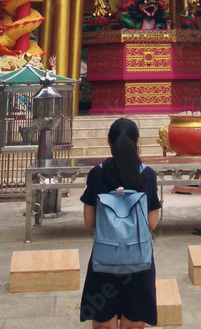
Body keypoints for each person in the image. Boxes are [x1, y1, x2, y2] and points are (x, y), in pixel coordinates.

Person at [80, 118, 161, 328]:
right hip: (138, 261)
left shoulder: (97, 173)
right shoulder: (147, 175)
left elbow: (89, 223)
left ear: (109, 143)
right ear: (137, 142)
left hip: (104, 260)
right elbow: (151, 224)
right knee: (134, 322)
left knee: (103, 322)